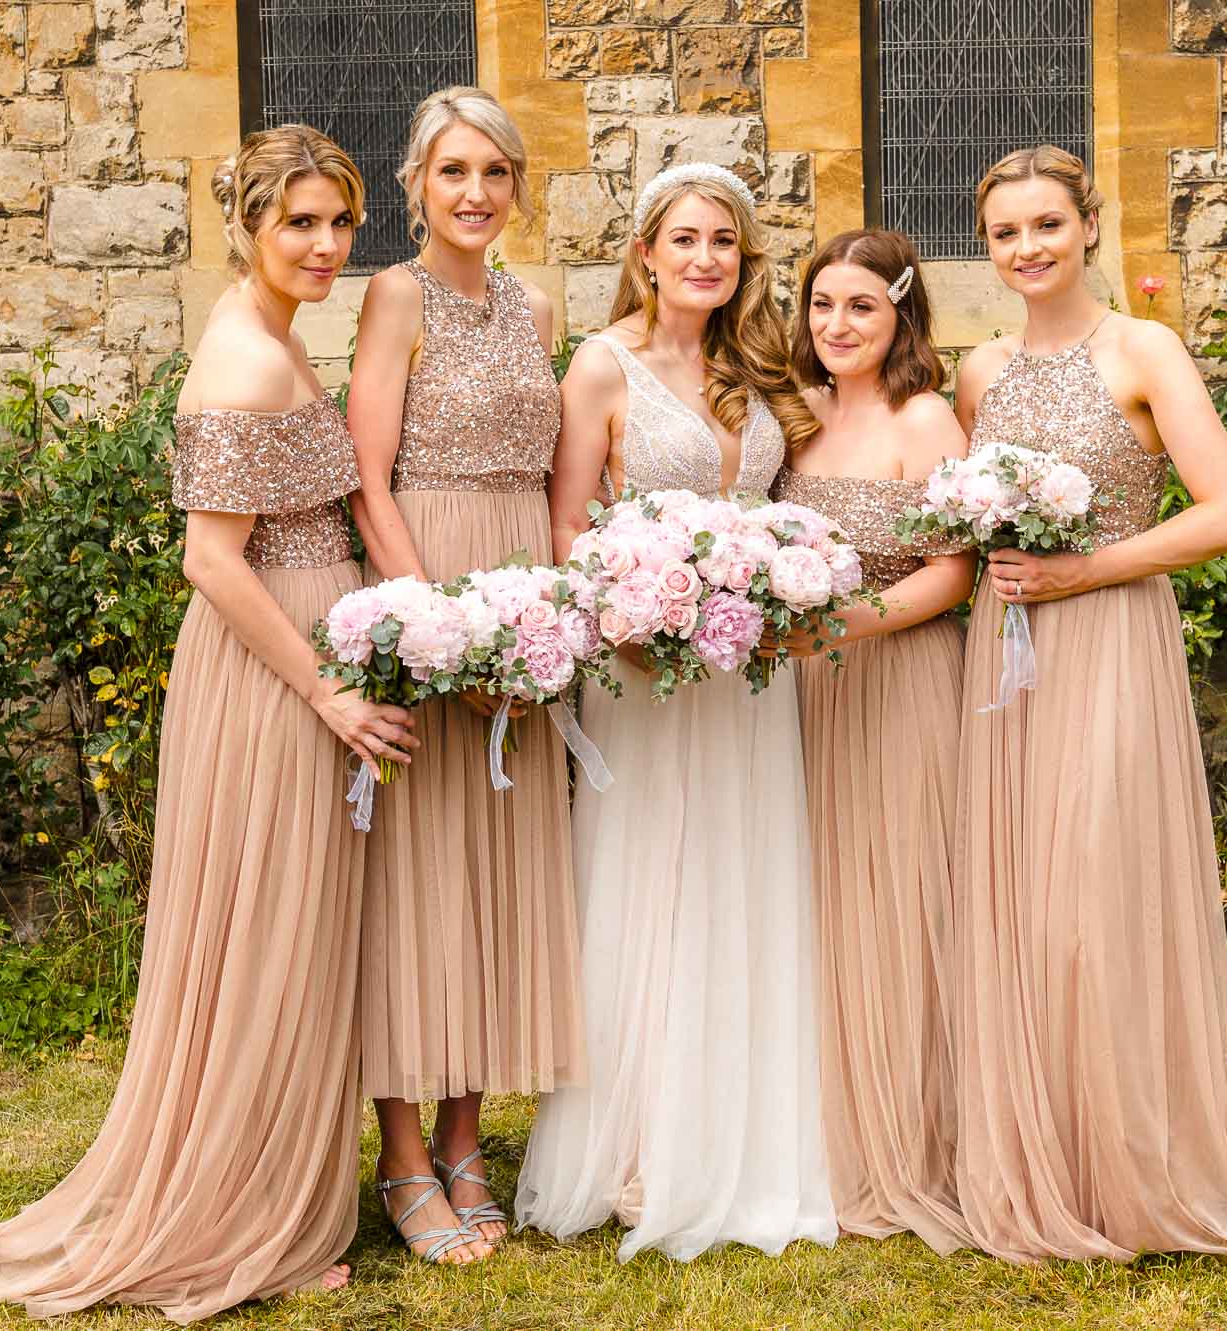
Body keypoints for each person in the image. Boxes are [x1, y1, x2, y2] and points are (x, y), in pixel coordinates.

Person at [0, 125, 418, 1321]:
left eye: (339, 221)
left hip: (299, 660)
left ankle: (272, 1179)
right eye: (299, 224)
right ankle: (237, 1210)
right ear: (249, 228)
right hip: (273, 682)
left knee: (294, 927)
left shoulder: (275, 335)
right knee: (270, 926)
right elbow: (211, 560)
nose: (325, 245)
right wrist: (324, 689)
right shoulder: (242, 360)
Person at [946, 144, 1227, 1269]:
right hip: (1005, 655)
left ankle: (1132, 1162)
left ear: (1088, 228)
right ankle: (1039, 1154)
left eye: (1043, 226)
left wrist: (1086, 569)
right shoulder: (977, 374)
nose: (1025, 249)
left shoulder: (1142, 347)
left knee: (1095, 889)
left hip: (1109, 638)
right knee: (1020, 891)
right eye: (1003, 233)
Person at [516, 161, 838, 1262]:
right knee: (648, 878)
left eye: (726, 244)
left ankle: (745, 1139)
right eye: (686, 240)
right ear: (644, 251)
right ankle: (637, 1143)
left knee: (746, 880)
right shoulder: (599, 368)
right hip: (647, 670)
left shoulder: (761, 367)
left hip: (753, 674)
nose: (706, 259)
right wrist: (629, 611)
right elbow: (565, 523)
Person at [345, 86, 582, 1263]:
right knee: (416, 874)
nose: (476, 193)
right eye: (453, 172)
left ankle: (469, 1136)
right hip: (429, 594)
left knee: (497, 872)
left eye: (494, 171)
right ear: (415, 185)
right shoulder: (394, 295)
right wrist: (441, 633)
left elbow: (551, 482)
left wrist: (541, 628)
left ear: (516, 183)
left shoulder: (536, 305)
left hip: (521, 589)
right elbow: (367, 475)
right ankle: (399, 1153)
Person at [775, 228, 975, 1253]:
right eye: (820, 305)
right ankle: (812, 1127)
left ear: (899, 312)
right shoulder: (792, 418)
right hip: (802, 692)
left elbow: (953, 570)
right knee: (813, 898)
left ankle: (909, 1132)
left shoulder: (924, 415)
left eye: (858, 305)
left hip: (898, 678)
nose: (836, 325)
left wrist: (851, 620)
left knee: (899, 896)